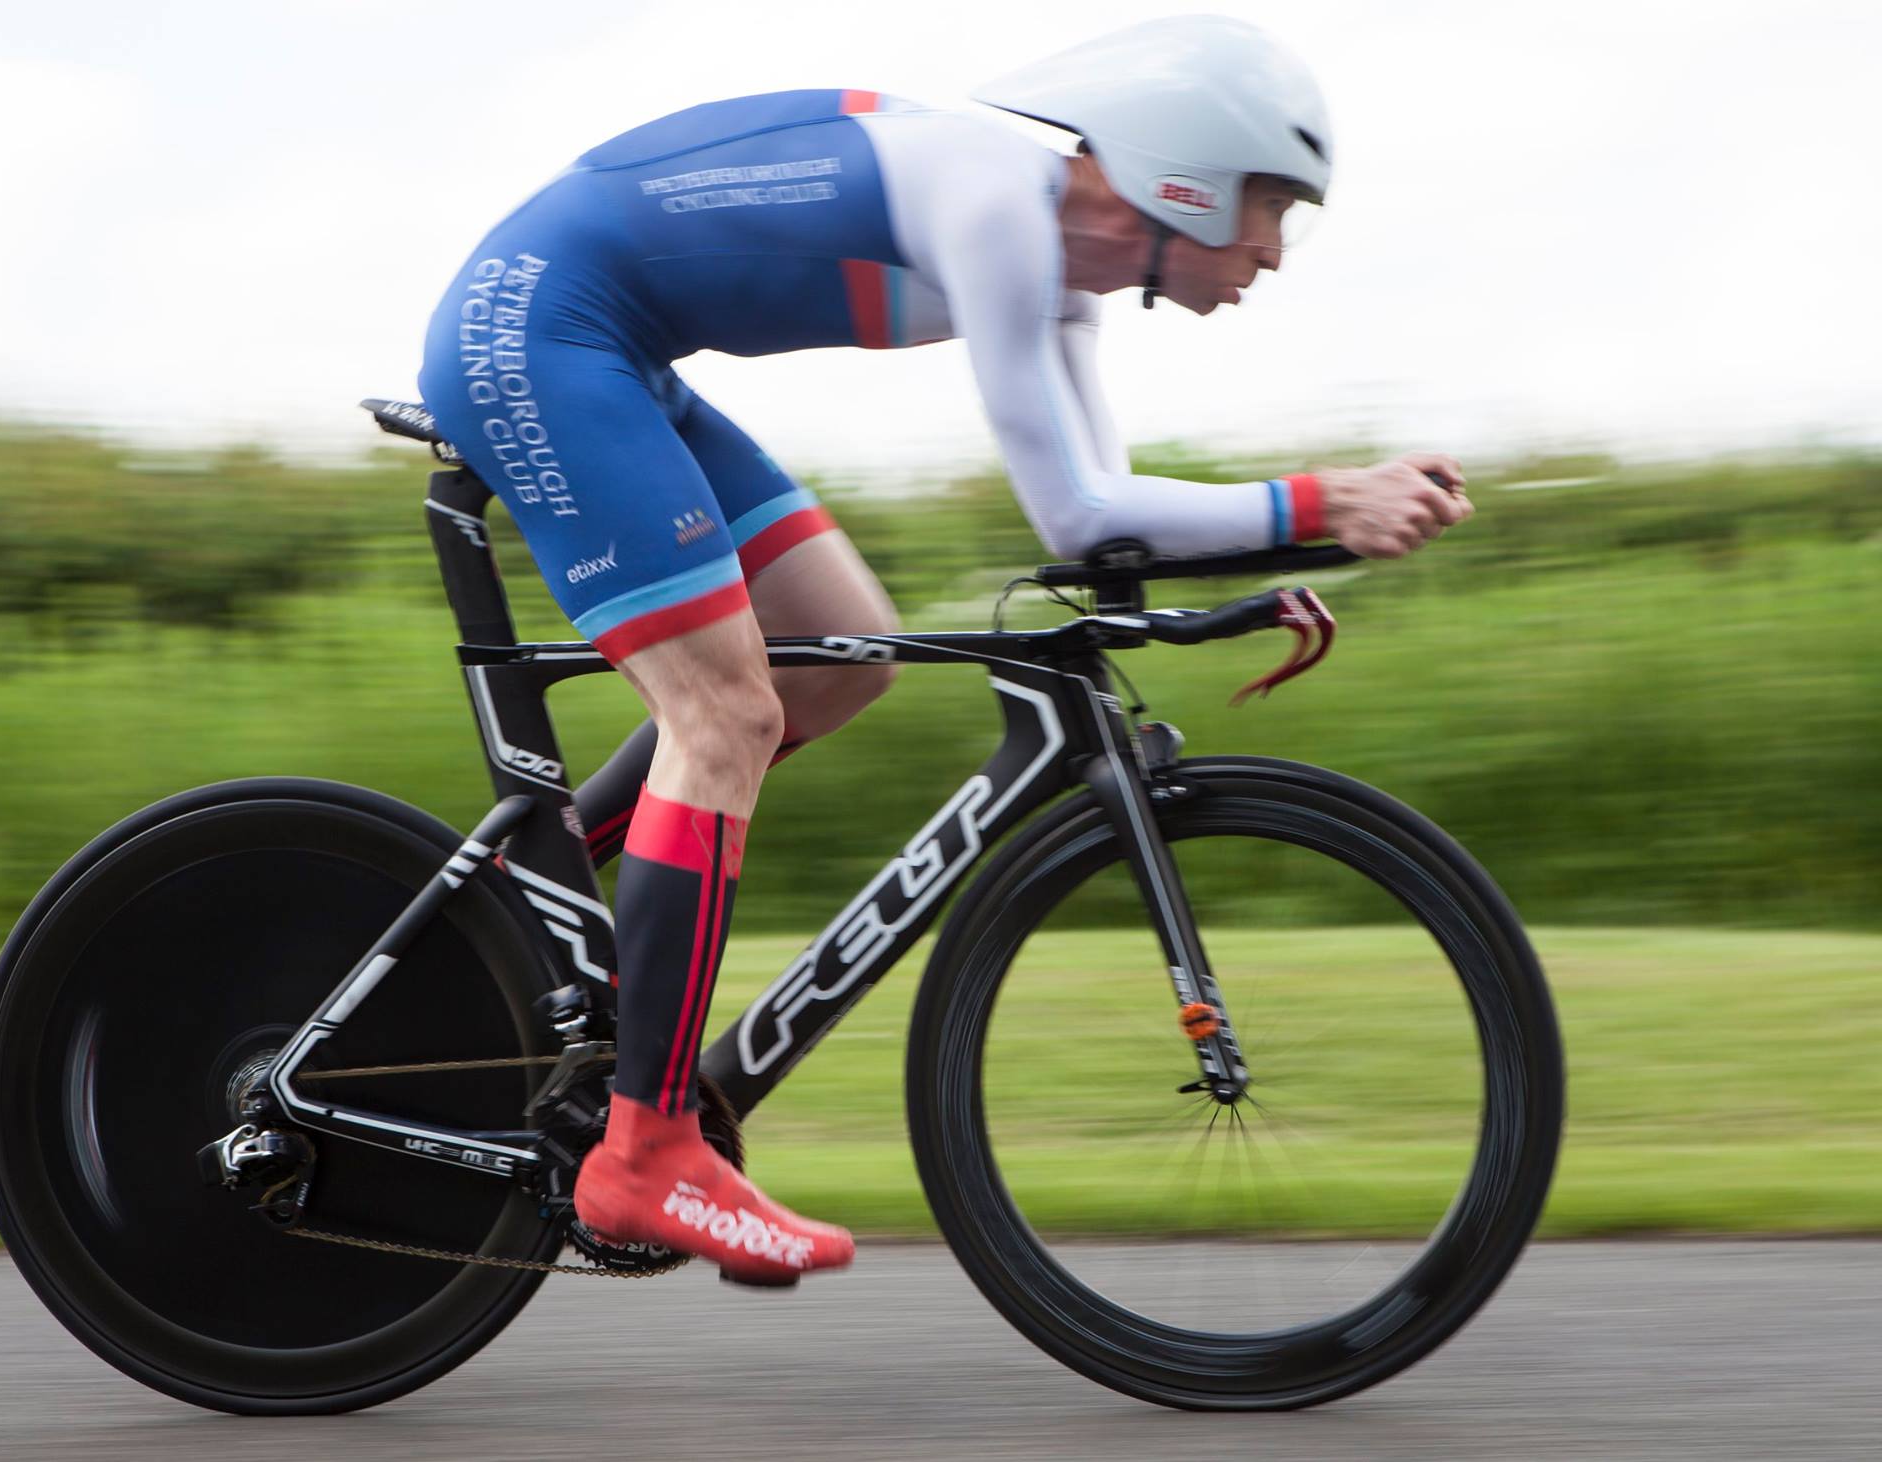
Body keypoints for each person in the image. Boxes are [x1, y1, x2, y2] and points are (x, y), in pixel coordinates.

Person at [416, 13, 1471, 1286]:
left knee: (839, 653)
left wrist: (1283, 548)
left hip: (609, 350)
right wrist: (1319, 504)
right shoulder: (998, 205)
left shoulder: (1061, 278)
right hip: (542, 331)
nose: (1271, 251)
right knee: (725, 715)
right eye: (1270, 208)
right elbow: (1076, 511)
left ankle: (515, 910)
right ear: (1185, 174)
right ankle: (646, 1152)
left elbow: (1096, 516)